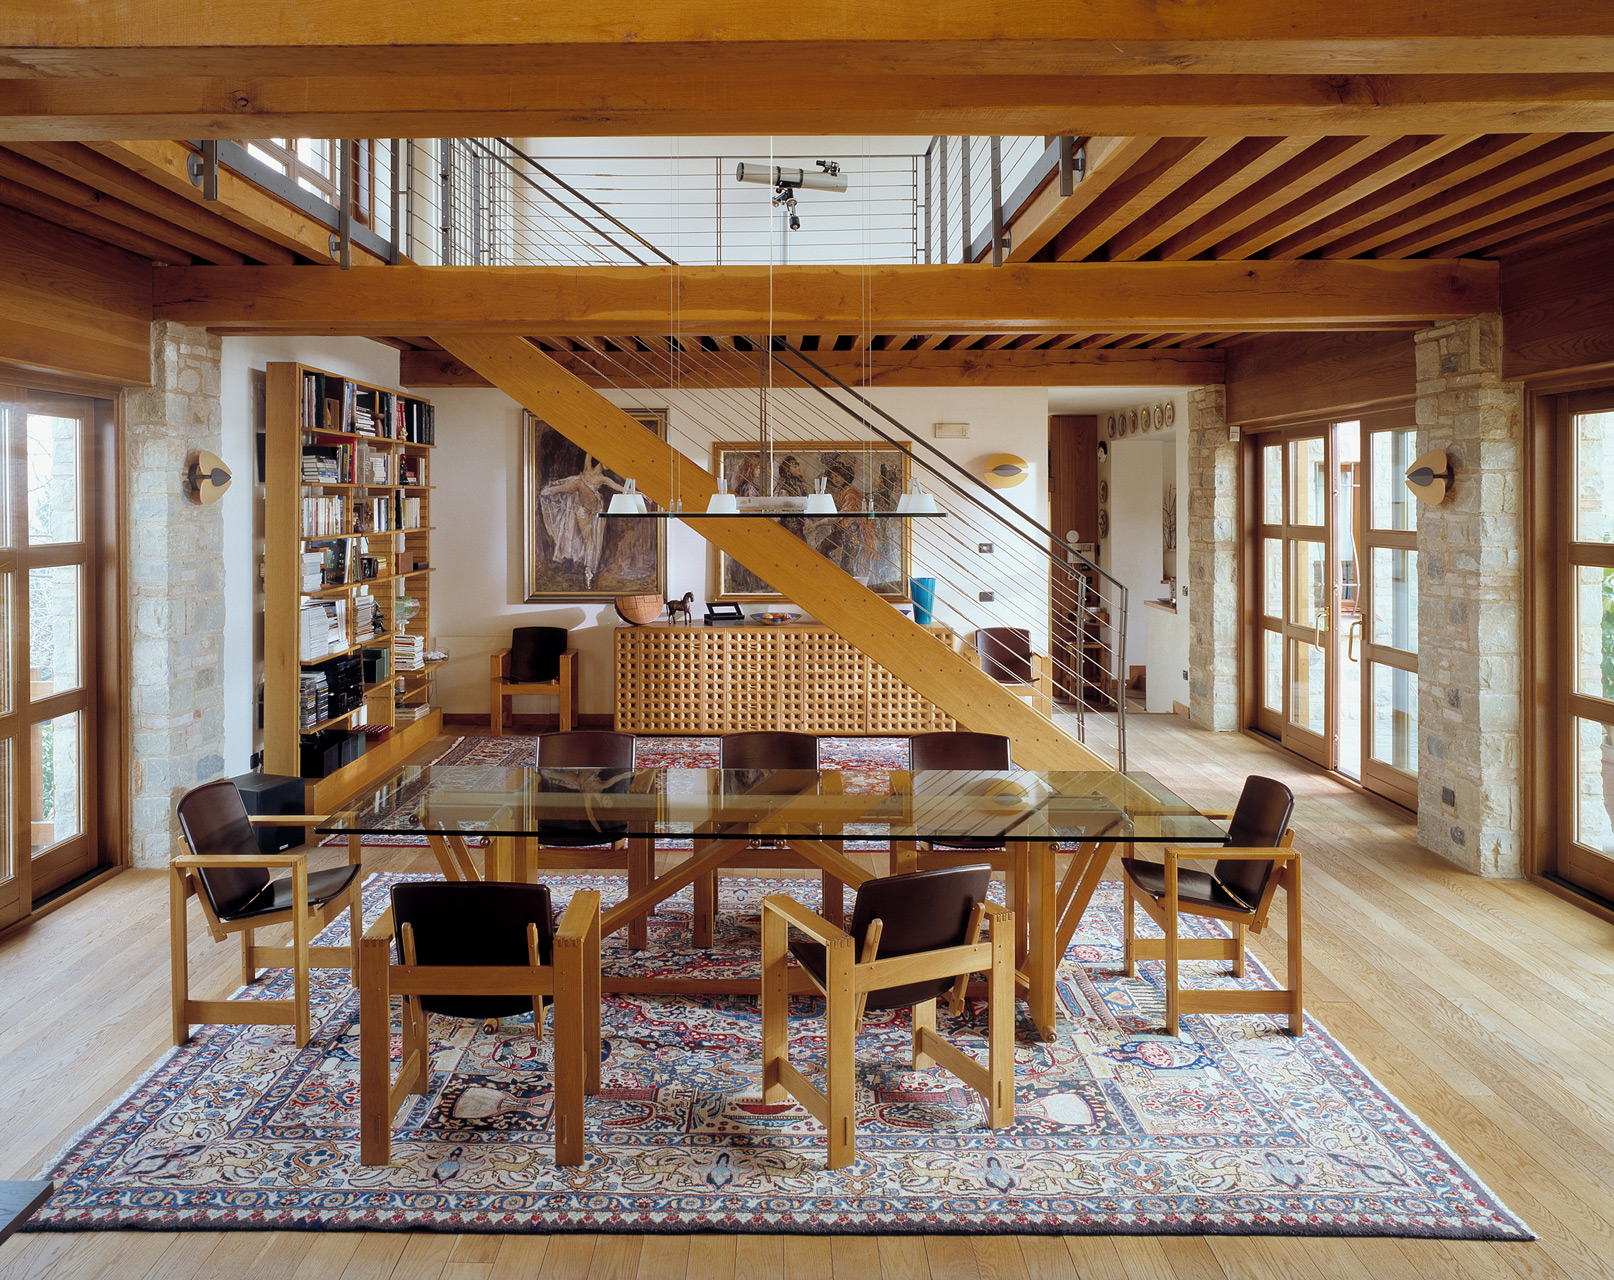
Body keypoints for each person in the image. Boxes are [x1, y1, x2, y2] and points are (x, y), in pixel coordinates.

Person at [539, 453, 624, 588]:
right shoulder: (587, 468)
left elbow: (621, 488)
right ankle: (588, 572)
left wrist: (639, 493)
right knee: (588, 539)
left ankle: (551, 490)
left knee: (578, 483)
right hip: (582, 507)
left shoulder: (603, 478)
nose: (608, 463)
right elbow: (588, 450)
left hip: (593, 503)